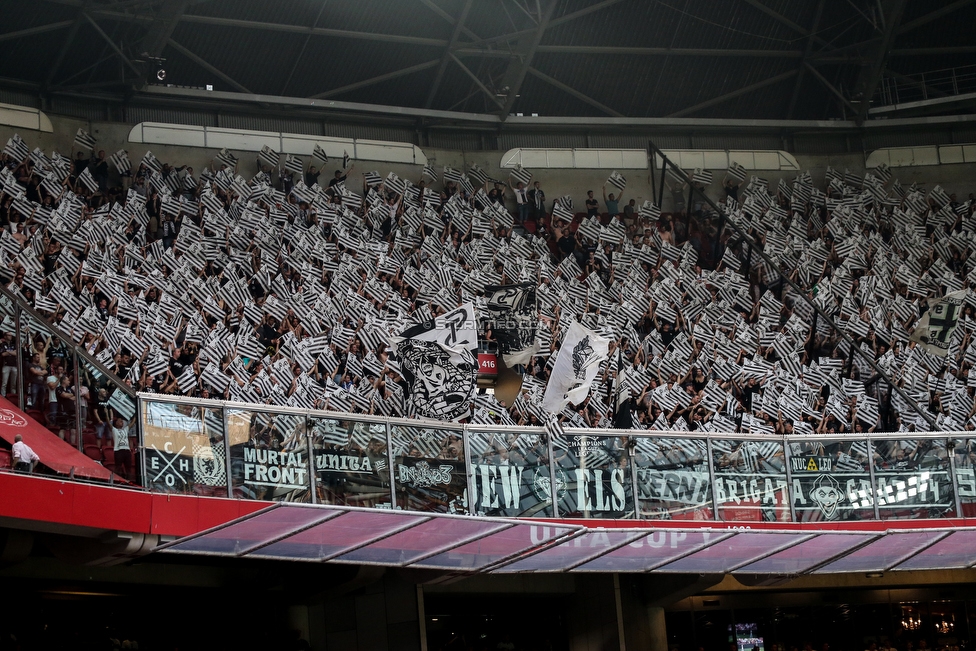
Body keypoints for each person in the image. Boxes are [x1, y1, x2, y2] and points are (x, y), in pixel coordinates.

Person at [0, 332, 17, 397]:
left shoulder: (14, 344)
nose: (11, 336)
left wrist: (7, 351)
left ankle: (13, 397)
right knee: (4, 383)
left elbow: (16, 353)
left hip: (14, 365)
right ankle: (3, 396)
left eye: (11, 335)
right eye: (9, 335)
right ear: (5, 336)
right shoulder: (2, 344)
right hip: (6, 365)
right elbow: (3, 354)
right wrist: (12, 352)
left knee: (14, 384)